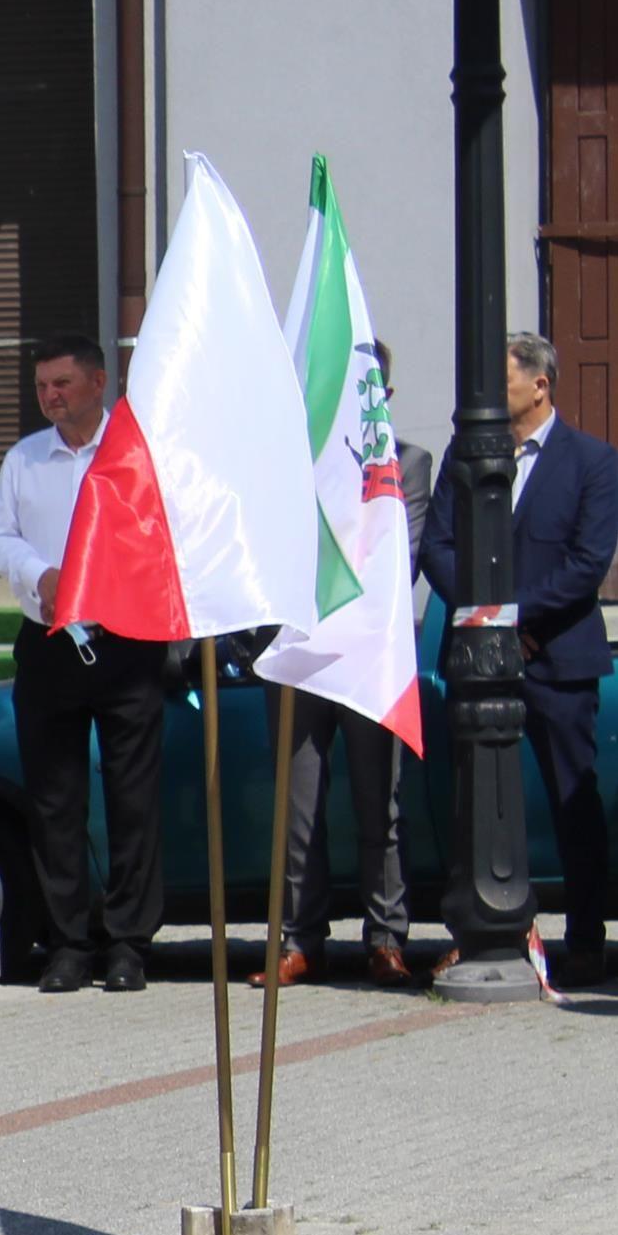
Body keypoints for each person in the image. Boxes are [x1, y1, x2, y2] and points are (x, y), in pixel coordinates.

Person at [422, 329, 618, 985]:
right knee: (475, 807)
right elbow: (439, 548)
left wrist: (516, 619)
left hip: (558, 658)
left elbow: (586, 563)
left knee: (572, 802)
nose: (483, 394)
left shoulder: (592, 461)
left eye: (498, 380)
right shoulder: (468, 453)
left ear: (540, 384)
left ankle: (586, 938)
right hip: (482, 660)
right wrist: (491, 624)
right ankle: (483, 934)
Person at [0, 333, 162, 993]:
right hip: (51, 641)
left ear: (97, 382)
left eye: (62, 383)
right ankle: (67, 942)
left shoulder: (136, 452)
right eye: (42, 386)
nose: (50, 397)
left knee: (132, 798)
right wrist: (39, 573)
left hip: (126, 640)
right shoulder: (26, 458)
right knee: (55, 797)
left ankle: (128, 944)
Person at [263, 341, 424, 989]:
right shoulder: (287, 467)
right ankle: (300, 939)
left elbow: (398, 561)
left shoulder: (409, 463)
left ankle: (386, 937)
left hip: (367, 659)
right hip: (302, 654)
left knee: (376, 805)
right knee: (298, 809)